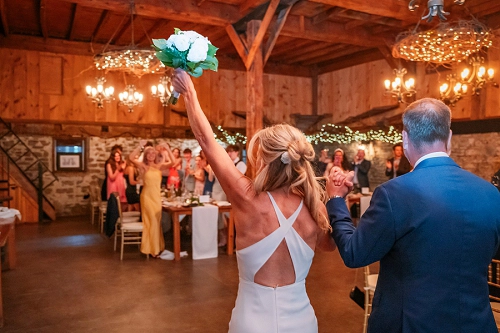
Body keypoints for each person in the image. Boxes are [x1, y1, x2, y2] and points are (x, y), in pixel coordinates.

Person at [172, 68, 336, 333]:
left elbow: (206, 140)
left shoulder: (247, 198)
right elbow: (329, 246)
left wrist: (189, 92)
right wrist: (337, 199)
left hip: (252, 322)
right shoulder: (313, 205)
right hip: (301, 322)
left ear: (265, 160)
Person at [325, 98, 500, 332]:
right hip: (476, 324)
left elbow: (354, 253)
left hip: (411, 324)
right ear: (449, 138)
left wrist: (336, 201)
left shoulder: (393, 193)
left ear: (405, 140)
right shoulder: (490, 193)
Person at [129, 141, 175, 258]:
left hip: (156, 197)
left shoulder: (159, 166)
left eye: (153, 153)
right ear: (145, 155)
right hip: (147, 197)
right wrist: (139, 146)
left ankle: (156, 247)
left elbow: (173, 162)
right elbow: (130, 157)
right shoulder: (143, 166)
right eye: (148, 153)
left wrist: (167, 149)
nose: (151, 155)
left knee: (156, 222)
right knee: (151, 222)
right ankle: (152, 249)